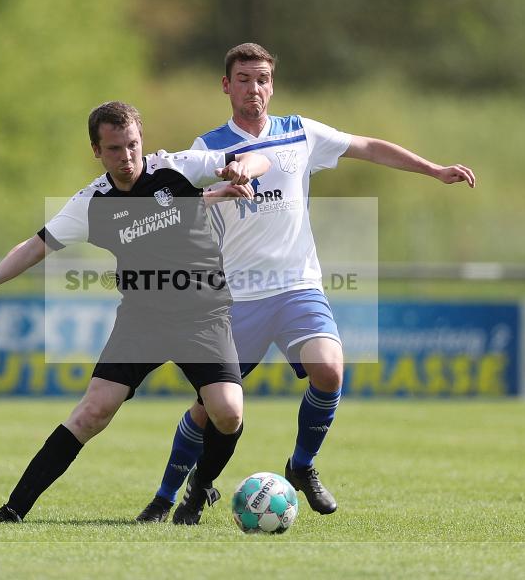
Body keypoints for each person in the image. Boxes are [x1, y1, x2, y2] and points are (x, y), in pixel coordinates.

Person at [136, 43, 476, 522]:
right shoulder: (207, 146)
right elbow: (185, 206)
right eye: (244, 79)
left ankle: (302, 464)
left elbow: (367, 146)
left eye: (263, 79)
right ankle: (172, 495)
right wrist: (217, 185)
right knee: (209, 408)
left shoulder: (299, 132)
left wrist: (433, 169)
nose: (255, 89)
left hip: (298, 286)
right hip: (237, 296)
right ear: (226, 86)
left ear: (272, 84)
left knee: (330, 369)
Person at [0, 101, 269, 525]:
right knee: (92, 412)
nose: (127, 156)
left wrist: (244, 169)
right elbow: (36, 245)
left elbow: (258, 156)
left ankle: (198, 489)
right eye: (115, 148)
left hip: (203, 314)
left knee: (229, 412)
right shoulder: (93, 202)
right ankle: (13, 510)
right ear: (97, 151)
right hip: (142, 320)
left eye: (133, 145)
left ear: (143, 140)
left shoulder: (176, 169)